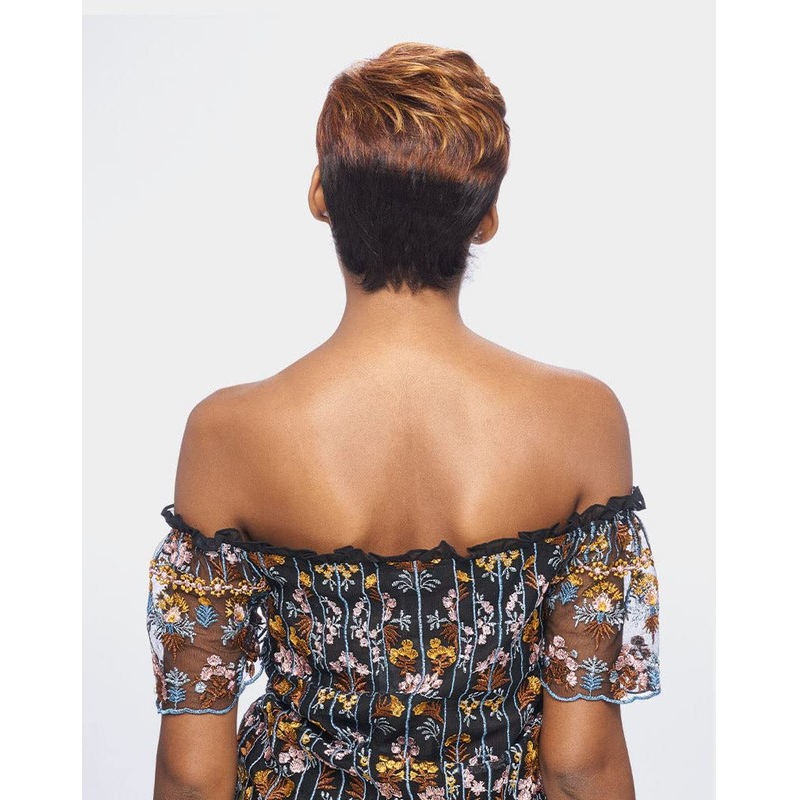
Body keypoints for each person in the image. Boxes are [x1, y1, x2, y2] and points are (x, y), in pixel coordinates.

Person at [145, 42, 661, 800]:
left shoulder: (227, 433)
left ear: (320, 194)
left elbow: (193, 777)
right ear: (485, 219)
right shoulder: (581, 420)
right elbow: (579, 766)